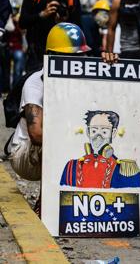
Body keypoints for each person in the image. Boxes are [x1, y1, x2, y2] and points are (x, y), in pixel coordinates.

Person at [5, 23, 90, 214]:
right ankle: (46, 203)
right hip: (26, 154)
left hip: (61, 146)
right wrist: (77, 142)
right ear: (51, 57)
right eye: (69, 58)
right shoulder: (36, 83)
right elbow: (36, 134)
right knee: (56, 140)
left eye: (79, 57)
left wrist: (111, 64)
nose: (75, 63)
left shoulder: (84, 79)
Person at [60, 110, 140, 189]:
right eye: (94, 131)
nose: (98, 137)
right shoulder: (71, 168)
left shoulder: (127, 170)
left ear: (113, 133)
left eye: (104, 132)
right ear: (88, 132)